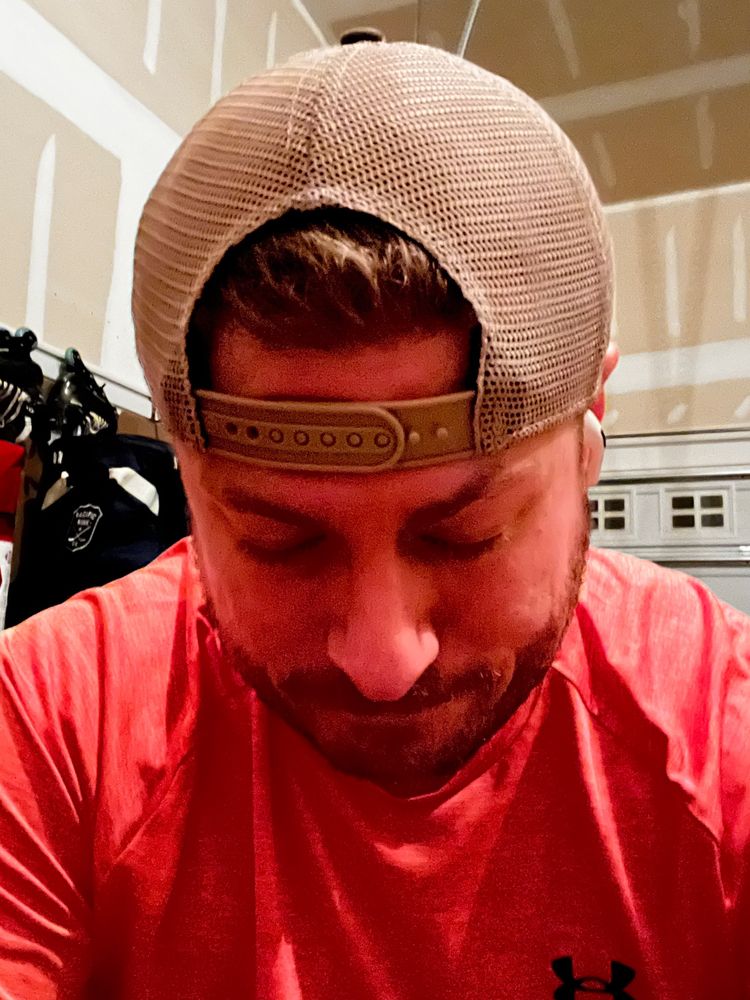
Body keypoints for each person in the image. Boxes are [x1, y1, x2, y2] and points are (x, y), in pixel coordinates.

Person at [0, 39, 748, 1000]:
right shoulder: (54, 726)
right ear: (186, 471)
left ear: (591, 433)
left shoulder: (719, 745)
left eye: (466, 535)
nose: (382, 661)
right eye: (279, 541)